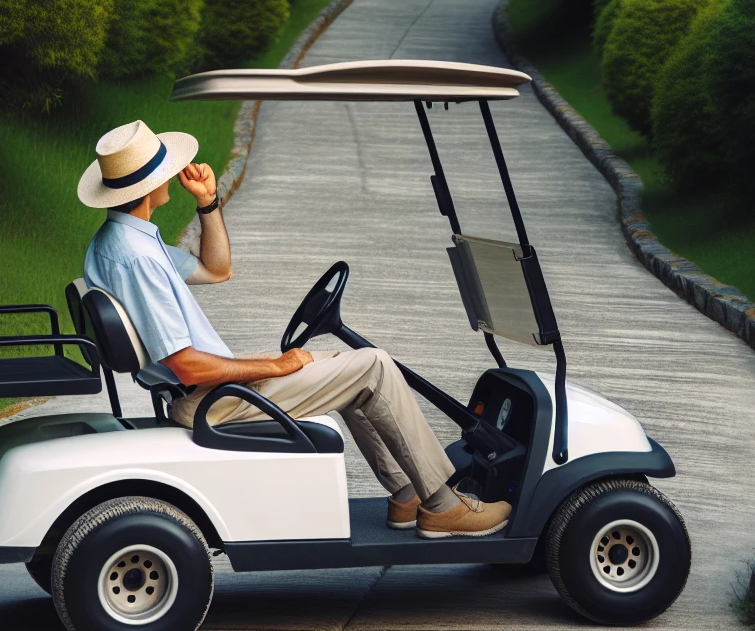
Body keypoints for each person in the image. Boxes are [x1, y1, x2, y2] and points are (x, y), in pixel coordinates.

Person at [78, 120, 510, 538]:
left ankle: (406, 494)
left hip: (207, 389)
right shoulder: (138, 258)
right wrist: (275, 365)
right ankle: (442, 507)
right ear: (150, 184)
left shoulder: (121, 241)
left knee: (353, 368)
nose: (174, 171)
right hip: (212, 399)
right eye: (166, 167)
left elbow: (217, 269)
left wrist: (208, 203)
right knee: (374, 366)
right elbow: (187, 365)